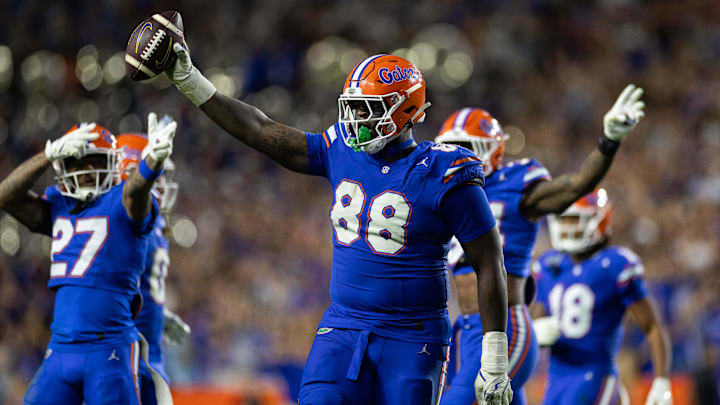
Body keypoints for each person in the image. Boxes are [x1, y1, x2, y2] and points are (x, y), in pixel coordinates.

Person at [161, 40, 511, 405]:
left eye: (367, 110)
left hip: (413, 337)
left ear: (404, 111)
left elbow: (489, 262)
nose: (355, 121)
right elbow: (260, 130)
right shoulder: (340, 147)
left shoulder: (445, 172)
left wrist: (495, 360)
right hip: (344, 327)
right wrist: (190, 80)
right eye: (353, 109)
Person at [435, 85, 645, 405]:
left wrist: (608, 141)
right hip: (466, 329)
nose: (457, 155)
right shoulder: (445, 195)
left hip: (504, 328)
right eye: (450, 148)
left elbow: (575, 185)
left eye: (465, 147)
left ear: (489, 150)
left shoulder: (516, 185)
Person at [0, 115, 176, 405]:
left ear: (113, 165)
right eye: (76, 162)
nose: (84, 171)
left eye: (94, 161)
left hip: (110, 350)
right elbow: (6, 196)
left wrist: (151, 163)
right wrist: (46, 156)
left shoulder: (123, 204)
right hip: (60, 350)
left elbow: (136, 191)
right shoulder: (59, 207)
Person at [531, 189, 672, 405]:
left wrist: (661, 381)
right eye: (563, 220)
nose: (566, 227)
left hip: (594, 375)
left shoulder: (614, 264)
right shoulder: (550, 265)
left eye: (573, 220)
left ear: (598, 220)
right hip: (556, 379)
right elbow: (534, 323)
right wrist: (534, 334)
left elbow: (652, 326)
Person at [116, 128, 190, 405]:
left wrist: (157, 311)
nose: (160, 183)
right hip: (128, 354)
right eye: (152, 174)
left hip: (147, 352)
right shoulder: (127, 224)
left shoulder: (153, 223)